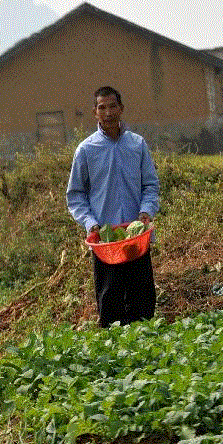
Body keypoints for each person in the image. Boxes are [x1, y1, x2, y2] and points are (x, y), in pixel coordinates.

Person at [66, 86, 160, 328]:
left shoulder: (137, 145)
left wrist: (146, 212)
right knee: (111, 308)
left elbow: (150, 185)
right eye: (101, 108)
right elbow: (75, 195)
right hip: (106, 244)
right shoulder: (86, 150)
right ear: (95, 113)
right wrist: (90, 223)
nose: (108, 112)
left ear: (121, 109)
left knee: (143, 306)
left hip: (136, 240)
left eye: (112, 106)